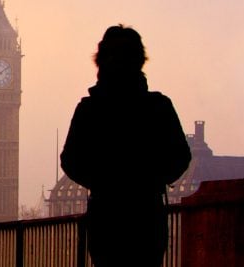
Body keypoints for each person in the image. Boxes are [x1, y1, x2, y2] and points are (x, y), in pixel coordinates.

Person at [60, 25, 192, 267]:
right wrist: (153, 179)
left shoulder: (89, 109)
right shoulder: (159, 107)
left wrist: (101, 181)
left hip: (106, 216)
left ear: (101, 62)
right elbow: (181, 156)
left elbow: (69, 160)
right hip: (147, 215)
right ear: (140, 61)